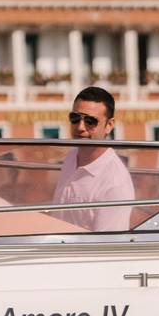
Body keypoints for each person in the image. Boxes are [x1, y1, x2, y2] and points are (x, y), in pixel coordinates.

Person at [52, 86, 135, 231]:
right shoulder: (71, 157)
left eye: (90, 121)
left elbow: (108, 244)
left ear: (109, 125)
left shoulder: (115, 185)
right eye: (75, 118)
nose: (80, 127)